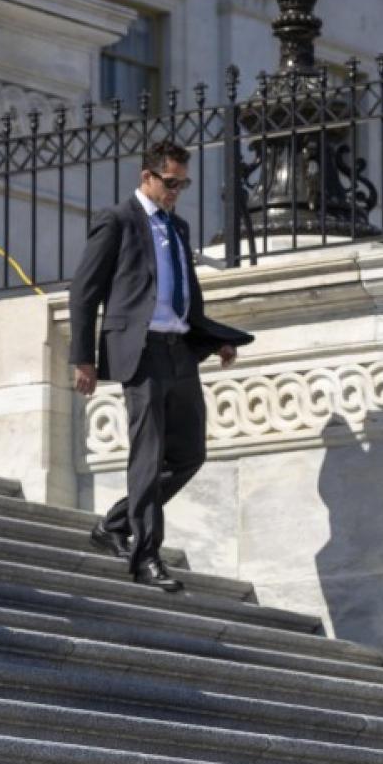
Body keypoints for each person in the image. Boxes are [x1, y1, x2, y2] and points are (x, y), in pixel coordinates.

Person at [67, 140, 252, 592]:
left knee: (190, 453)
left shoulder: (178, 227)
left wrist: (215, 338)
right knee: (147, 456)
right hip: (141, 352)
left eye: (183, 184)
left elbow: (186, 295)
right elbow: (84, 293)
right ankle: (146, 555)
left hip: (179, 350)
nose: (176, 192)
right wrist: (83, 359)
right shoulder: (117, 221)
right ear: (146, 176)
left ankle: (113, 524)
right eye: (170, 183)